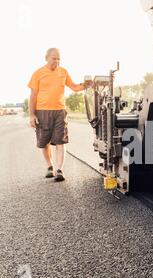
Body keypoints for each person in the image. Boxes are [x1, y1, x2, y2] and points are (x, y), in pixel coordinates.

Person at [28, 48, 87, 182]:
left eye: (59, 58)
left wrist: (87, 85)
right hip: (42, 111)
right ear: (47, 58)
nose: (57, 61)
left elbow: (74, 87)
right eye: (54, 58)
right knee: (44, 142)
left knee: (60, 141)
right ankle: (50, 167)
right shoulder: (38, 73)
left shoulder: (63, 72)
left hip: (60, 111)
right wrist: (32, 115)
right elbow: (33, 95)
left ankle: (59, 170)